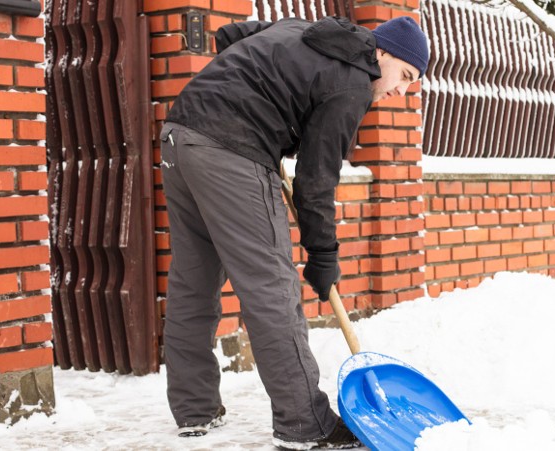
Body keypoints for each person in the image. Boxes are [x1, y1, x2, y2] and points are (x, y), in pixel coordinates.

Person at [159, 14, 429, 450]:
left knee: (193, 282)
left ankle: (195, 412)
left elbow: (234, 33)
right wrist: (323, 256)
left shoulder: (305, 28)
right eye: (405, 75)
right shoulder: (352, 84)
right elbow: (316, 181)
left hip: (181, 134)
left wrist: (257, 91)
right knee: (273, 288)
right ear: (382, 53)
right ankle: (306, 425)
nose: (401, 90)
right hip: (232, 150)